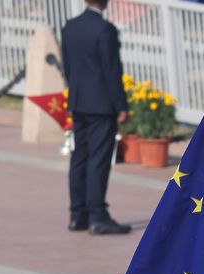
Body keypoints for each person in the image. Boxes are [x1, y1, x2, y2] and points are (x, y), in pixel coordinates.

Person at [61, 0, 131, 235]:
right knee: (98, 160)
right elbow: (111, 70)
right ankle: (97, 214)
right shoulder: (105, 29)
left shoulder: (70, 26)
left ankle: (77, 214)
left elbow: (68, 67)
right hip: (101, 104)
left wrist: (75, 93)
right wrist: (120, 104)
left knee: (79, 156)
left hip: (79, 101)